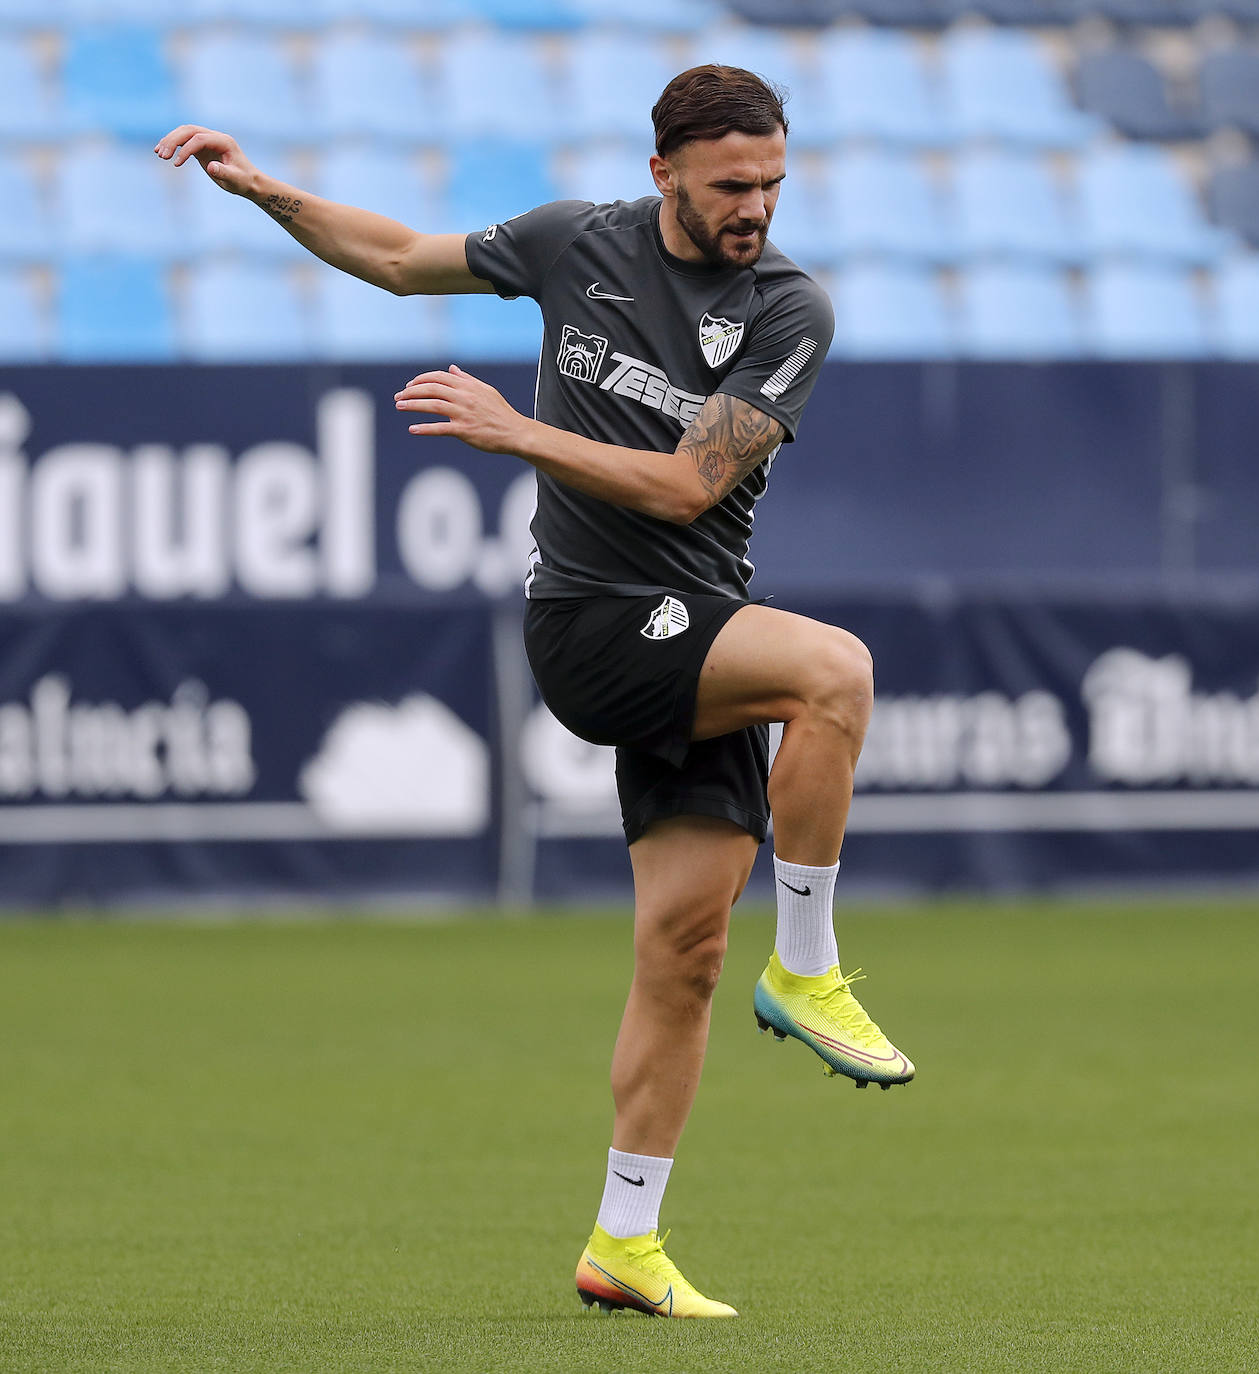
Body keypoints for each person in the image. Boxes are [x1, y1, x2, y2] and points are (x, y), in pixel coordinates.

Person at [155, 62, 913, 1320]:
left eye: (774, 183)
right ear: (663, 168)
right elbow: (399, 255)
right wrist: (262, 191)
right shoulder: (578, 243)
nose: (757, 208)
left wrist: (523, 431)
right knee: (836, 672)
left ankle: (625, 1243)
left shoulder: (790, 311)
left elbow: (686, 489)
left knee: (683, 954)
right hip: (592, 626)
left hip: (696, 628)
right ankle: (815, 963)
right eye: (733, 185)